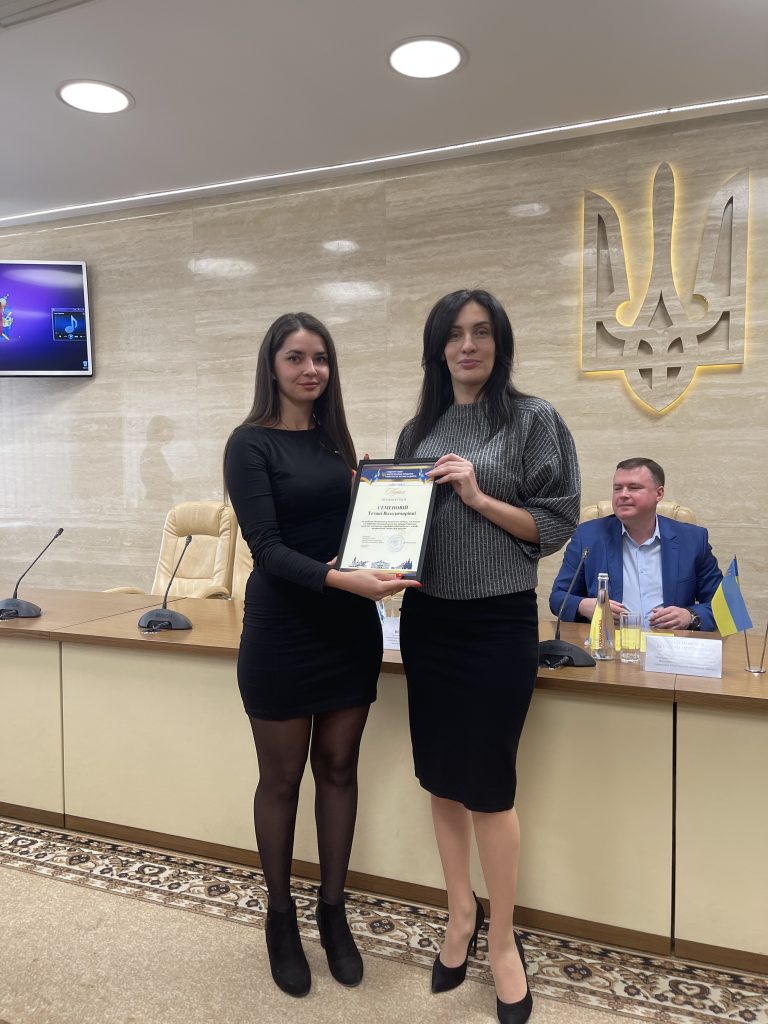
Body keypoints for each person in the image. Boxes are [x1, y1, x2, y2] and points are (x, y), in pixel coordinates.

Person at [395, 289, 580, 1024]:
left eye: (480, 332)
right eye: (454, 334)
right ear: (437, 348)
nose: (467, 346)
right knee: (441, 778)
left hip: (497, 622)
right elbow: (406, 523)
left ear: (499, 342)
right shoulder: (418, 428)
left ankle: (503, 941)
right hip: (428, 620)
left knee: (490, 788)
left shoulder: (534, 419)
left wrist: (477, 496)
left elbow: (556, 524)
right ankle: (460, 916)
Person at [224, 312, 417, 998]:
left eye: (321, 358)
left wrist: (390, 534)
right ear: (272, 365)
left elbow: (356, 529)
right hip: (282, 631)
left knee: (339, 769)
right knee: (281, 781)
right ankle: (280, 918)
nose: (311, 370)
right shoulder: (248, 443)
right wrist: (343, 579)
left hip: (347, 632)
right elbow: (268, 549)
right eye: (296, 357)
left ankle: (333, 913)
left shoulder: (336, 442)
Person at [549, 457, 723, 631]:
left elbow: (723, 605)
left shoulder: (692, 540)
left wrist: (689, 616)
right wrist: (585, 606)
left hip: (670, 643)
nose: (623, 494)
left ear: (659, 494)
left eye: (634, 487)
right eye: (617, 488)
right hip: (609, 642)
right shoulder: (588, 536)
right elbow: (558, 598)